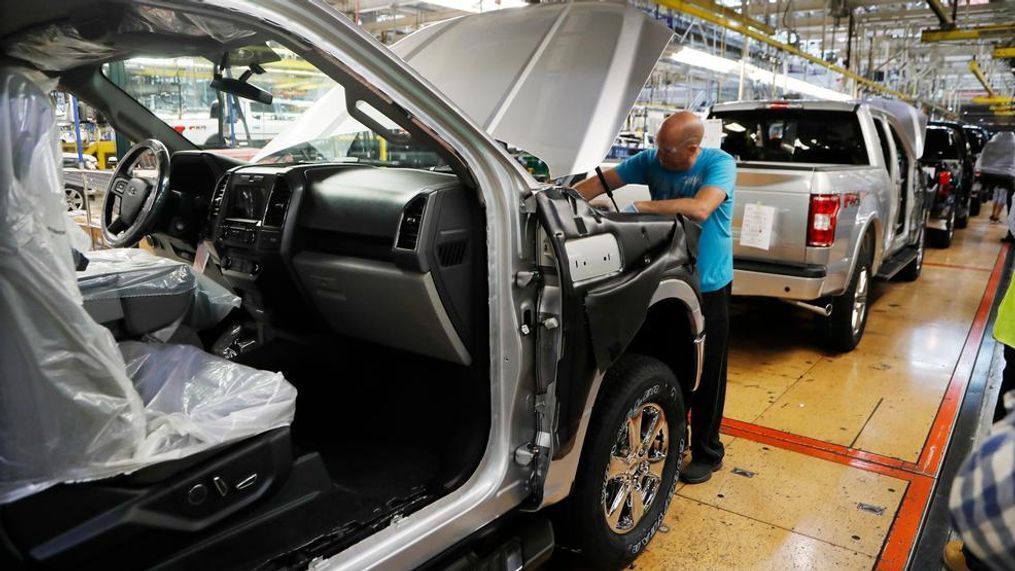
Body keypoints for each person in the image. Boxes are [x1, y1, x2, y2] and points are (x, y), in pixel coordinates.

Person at [575, 111, 737, 484]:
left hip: (710, 279)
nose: (657, 155)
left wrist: (640, 208)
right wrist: (556, 200)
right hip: (669, 276)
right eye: (657, 146)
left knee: (709, 371)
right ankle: (675, 436)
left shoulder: (720, 164)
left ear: (692, 149)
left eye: (666, 150)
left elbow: (700, 207)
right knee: (671, 360)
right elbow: (596, 185)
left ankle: (709, 451)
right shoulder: (652, 159)